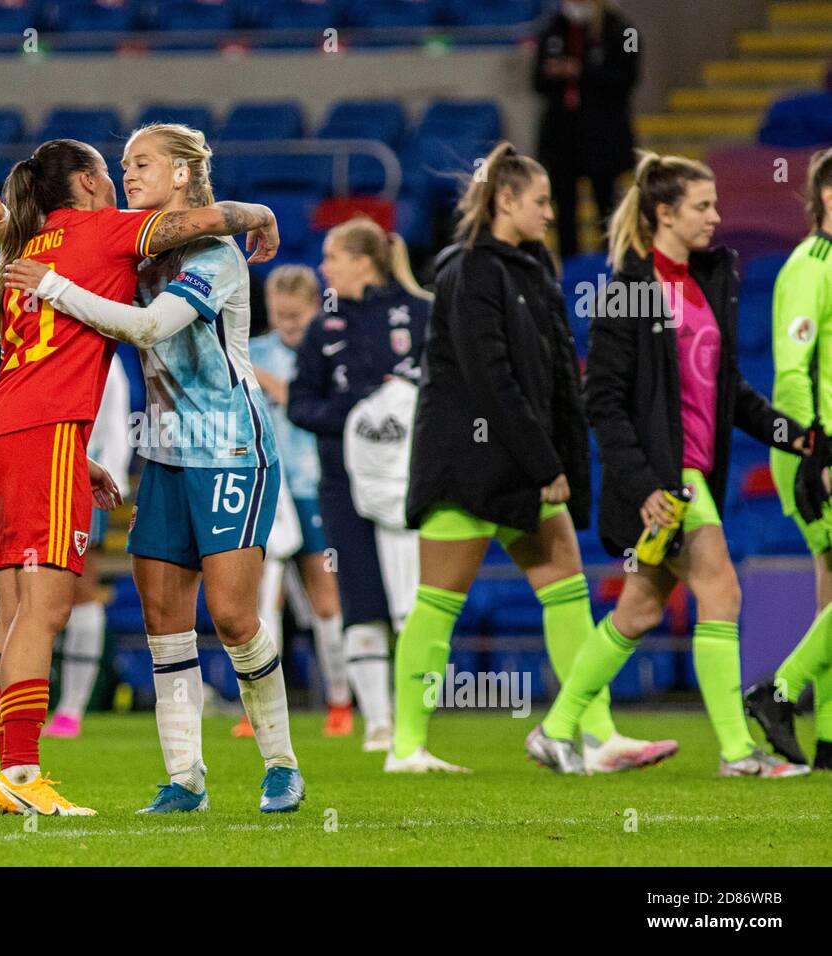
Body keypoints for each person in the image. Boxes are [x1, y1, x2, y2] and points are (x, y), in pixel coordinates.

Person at [0, 135, 281, 816]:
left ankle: (12, 771)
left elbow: (60, 307)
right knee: (44, 610)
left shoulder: (30, 247)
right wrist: (258, 212)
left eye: (140, 163)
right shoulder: (107, 233)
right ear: (84, 183)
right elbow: (204, 221)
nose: (123, 179)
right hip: (49, 429)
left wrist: (75, 458)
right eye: (115, 169)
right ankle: (22, 776)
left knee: (12, 610)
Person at [529, 152, 812, 777]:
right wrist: (644, 484)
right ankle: (740, 753)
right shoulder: (628, 290)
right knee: (721, 589)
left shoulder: (710, 282)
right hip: (667, 482)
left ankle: (554, 729)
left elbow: (729, 390)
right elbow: (600, 400)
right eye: (702, 206)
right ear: (664, 213)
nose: (716, 217)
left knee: (639, 612)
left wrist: (801, 438)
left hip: (686, 481)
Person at [400, 143, 676, 775]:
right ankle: (406, 748)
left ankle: (597, 735)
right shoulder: (466, 271)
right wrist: (545, 462)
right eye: (542, 201)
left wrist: (558, 460)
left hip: (524, 468)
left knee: (568, 593)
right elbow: (491, 380)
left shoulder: (533, 270)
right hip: (466, 470)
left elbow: (551, 378)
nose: (553, 213)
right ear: (506, 200)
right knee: (438, 604)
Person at [287, 215, 431, 753]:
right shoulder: (323, 327)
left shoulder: (421, 315)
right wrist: (358, 413)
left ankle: (413, 721)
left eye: (332, 258)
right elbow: (301, 405)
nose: (323, 268)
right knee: (361, 601)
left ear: (362, 261)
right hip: (343, 486)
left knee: (414, 605)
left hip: (412, 485)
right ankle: (379, 723)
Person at [744, 148, 832, 771]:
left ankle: (829, 741)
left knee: (831, 597)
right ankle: (776, 693)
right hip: (817, 449)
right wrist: (811, 450)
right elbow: (792, 368)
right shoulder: (811, 263)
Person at [249, 264, 351, 738]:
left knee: (325, 598)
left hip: (314, 484)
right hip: (267, 486)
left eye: (296, 316)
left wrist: (269, 382)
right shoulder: (254, 350)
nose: (288, 325)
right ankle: (261, 708)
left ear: (314, 310)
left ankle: (340, 700)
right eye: (280, 316)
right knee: (260, 601)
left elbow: (317, 406)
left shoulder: (327, 353)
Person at [45, 352, 133, 738]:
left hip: (79, 473)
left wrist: (111, 480)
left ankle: (72, 708)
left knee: (79, 587)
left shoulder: (100, 356)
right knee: (3, 594)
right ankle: (11, 709)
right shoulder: (30, 342)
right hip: (28, 470)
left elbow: (116, 423)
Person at [533, 0, 639, 259]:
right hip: (562, 139)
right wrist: (554, 73)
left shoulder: (625, 31)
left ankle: (612, 267)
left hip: (602, 137)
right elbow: (536, 79)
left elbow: (628, 76)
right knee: (564, 208)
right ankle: (569, 270)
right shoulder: (551, 30)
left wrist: (583, 71)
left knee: (607, 206)